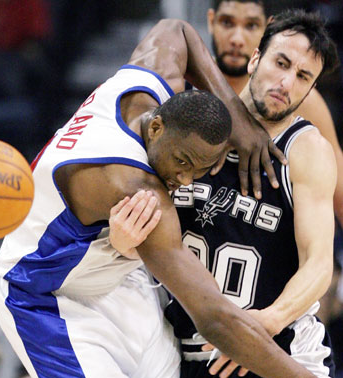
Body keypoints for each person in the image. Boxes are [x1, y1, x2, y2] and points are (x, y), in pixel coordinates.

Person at [0, 18, 314, 378]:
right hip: (44, 295)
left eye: (199, 169)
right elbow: (214, 319)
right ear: (157, 127)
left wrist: (239, 120)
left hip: (115, 280)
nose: (184, 179)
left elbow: (177, 30)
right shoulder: (133, 185)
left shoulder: (146, 83)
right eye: (182, 162)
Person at [110, 9, 339, 378]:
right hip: (176, 354)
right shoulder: (190, 121)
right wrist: (121, 245)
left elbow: (318, 264)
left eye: (302, 77)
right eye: (280, 63)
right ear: (255, 58)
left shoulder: (307, 150)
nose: (285, 82)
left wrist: (263, 325)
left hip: (275, 351)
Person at [205, 0, 343, 226]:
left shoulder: (302, 100)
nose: (237, 39)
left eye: (250, 26)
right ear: (211, 21)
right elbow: (172, 31)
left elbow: (340, 197)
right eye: (227, 22)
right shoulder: (187, 79)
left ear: (266, 27)